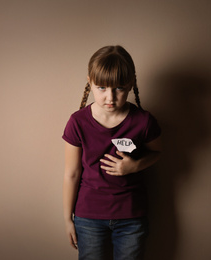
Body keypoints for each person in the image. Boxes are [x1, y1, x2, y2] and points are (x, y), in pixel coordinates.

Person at [62, 45, 162, 260]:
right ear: (90, 82)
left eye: (118, 88)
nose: (110, 97)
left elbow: (157, 153)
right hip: (88, 217)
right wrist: (67, 219)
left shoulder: (144, 121)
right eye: (102, 88)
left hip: (131, 217)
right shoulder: (77, 122)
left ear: (131, 83)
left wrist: (134, 166)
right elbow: (71, 173)